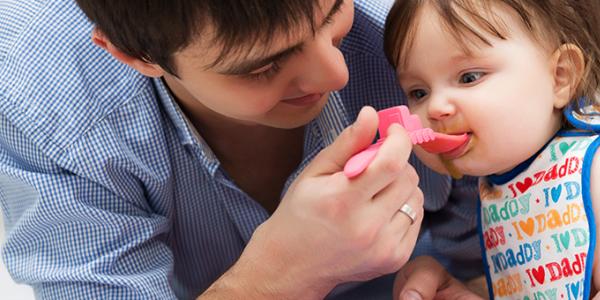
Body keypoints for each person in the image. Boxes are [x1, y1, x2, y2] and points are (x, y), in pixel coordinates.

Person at [0, 0, 482, 298]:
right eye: (264, 66)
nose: (335, 74)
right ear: (136, 56)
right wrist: (279, 277)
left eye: (334, 9)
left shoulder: (437, 17)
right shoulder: (46, 100)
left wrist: (467, 278)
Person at [383, 0, 600, 299]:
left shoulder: (590, 170)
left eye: (469, 77)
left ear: (560, 77)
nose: (435, 107)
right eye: (419, 92)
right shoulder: (498, 187)